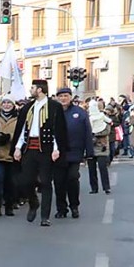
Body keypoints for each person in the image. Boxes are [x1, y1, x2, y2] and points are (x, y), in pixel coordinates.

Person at [13, 79, 69, 226]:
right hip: (29, 148)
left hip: (46, 149)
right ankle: (33, 202)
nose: (30, 90)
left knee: (45, 182)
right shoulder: (28, 107)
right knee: (25, 181)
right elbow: (22, 129)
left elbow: (58, 130)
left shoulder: (54, 106)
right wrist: (18, 147)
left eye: (33, 87)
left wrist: (57, 149)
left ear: (40, 90)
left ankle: (45, 216)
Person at [54, 87, 93, 219]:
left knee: (72, 178)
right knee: (59, 182)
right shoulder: (53, 112)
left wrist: (89, 152)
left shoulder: (80, 113)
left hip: (74, 152)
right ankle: (61, 208)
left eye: (65, 96)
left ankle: (74, 206)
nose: (63, 98)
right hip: (57, 153)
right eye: (60, 96)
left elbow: (87, 132)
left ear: (70, 97)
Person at [0, 96, 19, 216]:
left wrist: (9, 136)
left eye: (9, 103)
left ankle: (9, 205)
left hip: (11, 155)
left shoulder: (18, 118)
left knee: (10, 182)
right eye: (5, 102)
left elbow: (21, 133)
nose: (7, 105)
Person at [86, 98, 112, 194]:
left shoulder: (96, 117)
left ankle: (106, 187)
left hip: (101, 146)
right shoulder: (91, 117)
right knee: (92, 169)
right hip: (92, 146)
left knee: (102, 168)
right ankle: (95, 188)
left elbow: (109, 124)